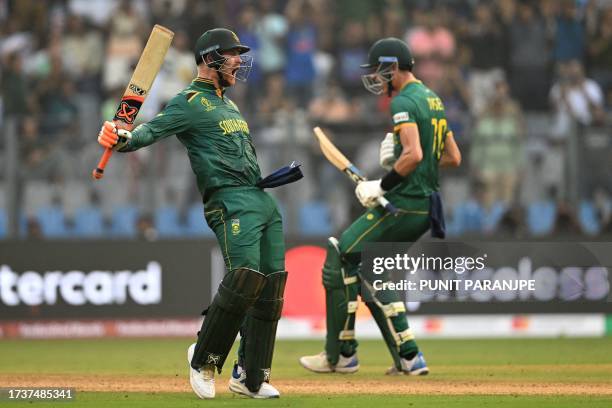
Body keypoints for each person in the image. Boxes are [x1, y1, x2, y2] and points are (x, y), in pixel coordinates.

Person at [97, 28, 292, 399]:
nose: (239, 61)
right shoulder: (187, 101)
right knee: (245, 275)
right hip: (229, 200)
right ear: (209, 59)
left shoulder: (229, 104)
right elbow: (148, 132)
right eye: (232, 54)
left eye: (239, 54)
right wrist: (121, 136)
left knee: (271, 284)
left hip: (261, 197)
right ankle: (204, 357)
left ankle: (250, 377)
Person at [299, 37, 461, 375]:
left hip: (402, 204)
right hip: (425, 209)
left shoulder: (403, 101)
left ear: (392, 67)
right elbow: (451, 157)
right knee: (373, 271)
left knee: (340, 252)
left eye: (378, 71)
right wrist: (400, 164)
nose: (375, 78)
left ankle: (339, 354)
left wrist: (382, 183)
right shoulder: (433, 99)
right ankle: (409, 356)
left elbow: (415, 154)